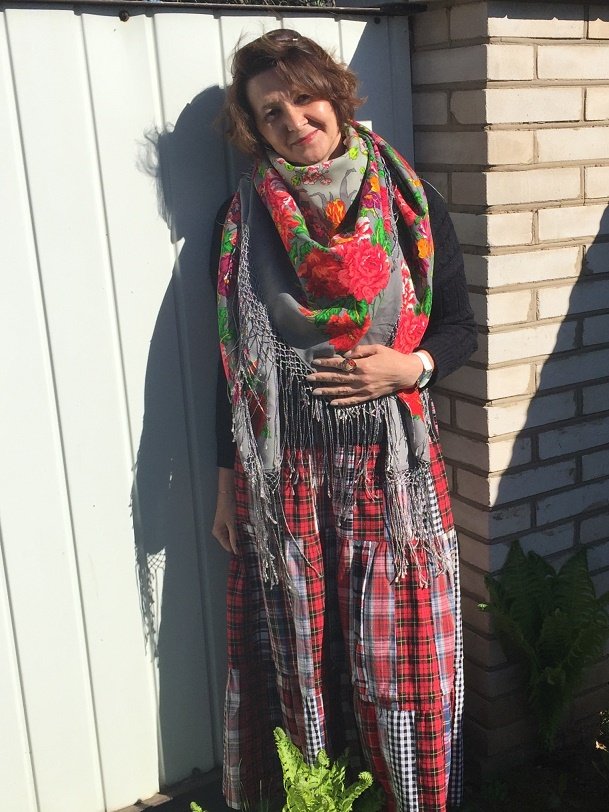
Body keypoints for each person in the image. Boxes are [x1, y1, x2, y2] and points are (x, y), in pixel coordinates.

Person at [210, 29, 477, 812]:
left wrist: (409, 368)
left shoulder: (411, 204)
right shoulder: (241, 220)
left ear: (334, 95)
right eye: (270, 111)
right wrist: (227, 481)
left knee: (403, 666)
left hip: (391, 481)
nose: (293, 120)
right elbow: (228, 365)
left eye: (303, 98)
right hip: (284, 483)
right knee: (302, 663)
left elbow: (458, 327)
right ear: (254, 128)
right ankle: (321, 799)